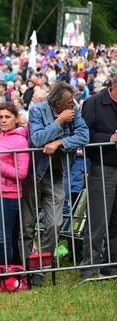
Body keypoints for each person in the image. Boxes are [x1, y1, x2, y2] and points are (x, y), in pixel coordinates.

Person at [23, 81, 89, 284]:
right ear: (57, 102)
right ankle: (25, 266)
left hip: (57, 176)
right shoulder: (37, 111)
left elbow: (84, 135)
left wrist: (60, 142)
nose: (73, 104)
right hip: (34, 174)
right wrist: (59, 122)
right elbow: (37, 139)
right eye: (69, 101)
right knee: (27, 225)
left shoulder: (73, 112)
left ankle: (41, 268)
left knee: (54, 224)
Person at [79, 74, 117, 280]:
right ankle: (89, 267)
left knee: (115, 221)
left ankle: (112, 265)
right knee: (98, 219)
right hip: (103, 167)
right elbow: (84, 135)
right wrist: (109, 138)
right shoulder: (94, 103)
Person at [0, 103, 29, 265]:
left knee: (3, 238)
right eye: (0, 117)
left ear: (16, 119)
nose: (3, 120)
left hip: (8, 194)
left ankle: (5, 274)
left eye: (7, 117)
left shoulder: (20, 141)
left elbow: (21, 173)